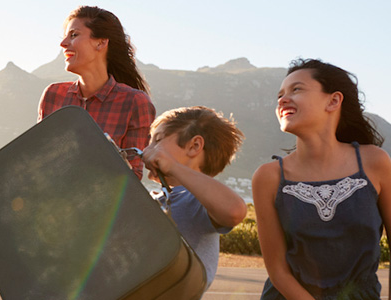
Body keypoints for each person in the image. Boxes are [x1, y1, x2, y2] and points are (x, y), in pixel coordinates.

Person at [252, 59, 391, 299]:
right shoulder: (268, 177)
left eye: (296, 89)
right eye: (280, 95)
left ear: (334, 100)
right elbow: (278, 271)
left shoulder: (374, 162)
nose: (282, 100)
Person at [38, 5, 155, 179]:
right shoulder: (53, 95)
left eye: (74, 35)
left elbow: (133, 178)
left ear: (101, 42)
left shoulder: (135, 102)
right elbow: (38, 158)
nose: (63, 44)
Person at [141, 106, 247, 288]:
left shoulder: (194, 200)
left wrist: (172, 166)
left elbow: (234, 210)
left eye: (157, 141)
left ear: (194, 146)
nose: (146, 151)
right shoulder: (155, 198)